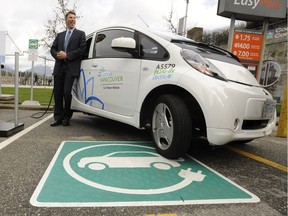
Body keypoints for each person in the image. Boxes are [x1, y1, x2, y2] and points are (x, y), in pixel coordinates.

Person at [50, 10, 86, 126]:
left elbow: (82, 50)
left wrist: (68, 55)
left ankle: (66, 117)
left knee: (66, 93)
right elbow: (53, 49)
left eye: (74, 18)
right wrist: (58, 55)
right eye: (70, 18)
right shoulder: (60, 35)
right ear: (66, 20)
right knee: (58, 93)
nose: (72, 20)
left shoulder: (81, 34)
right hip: (59, 66)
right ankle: (58, 118)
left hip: (71, 67)